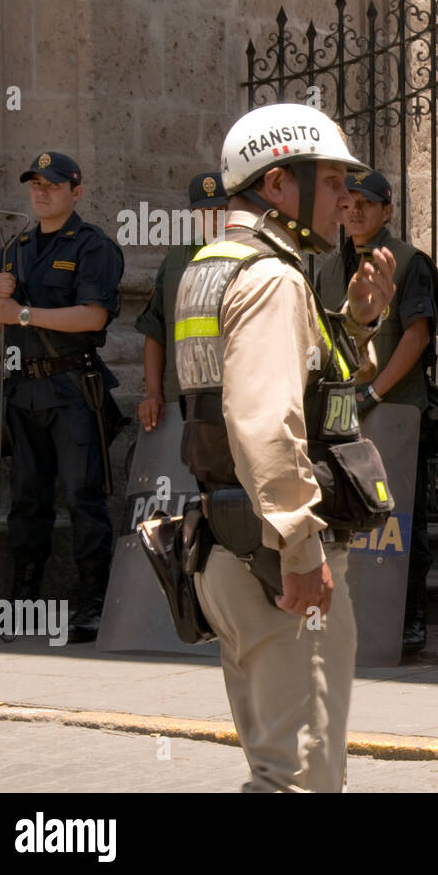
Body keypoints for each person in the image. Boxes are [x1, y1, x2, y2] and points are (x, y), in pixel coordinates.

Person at [175, 103, 396, 792]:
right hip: (274, 559)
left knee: (279, 768)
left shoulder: (213, 266)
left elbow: (298, 386)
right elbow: (266, 423)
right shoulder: (272, 277)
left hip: (227, 546)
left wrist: (358, 323)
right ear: (277, 184)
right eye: (331, 182)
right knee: (301, 778)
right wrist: (300, 547)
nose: (346, 200)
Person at [0, 152, 124, 642]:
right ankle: (23, 603)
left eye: (53, 185)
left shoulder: (92, 246)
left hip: (72, 390)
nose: (42, 192)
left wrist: (20, 313)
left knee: (84, 497)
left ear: (75, 192)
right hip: (23, 390)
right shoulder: (13, 248)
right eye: (35, 184)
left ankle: (94, 603)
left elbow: (92, 317)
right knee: (27, 499)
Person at [312, 169, 438, 655]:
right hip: (339, 416)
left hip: (395, 414)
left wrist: (375, 394)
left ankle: (410, 621)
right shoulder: (328, 268)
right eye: (349, 203)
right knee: (344, 520)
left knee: (402, 522)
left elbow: (417, 334)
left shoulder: (408, 262)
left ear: (388, 210)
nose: (355, 211)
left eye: (368, 204)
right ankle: (352, 620)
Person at [135, 171, 226, 431]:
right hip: (179, 400)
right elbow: (155, 330)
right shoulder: (175, 260)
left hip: (233, 401)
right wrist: (153, 393)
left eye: (222, 209)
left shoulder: (252, 257)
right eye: (205, 211)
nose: (215, 218)